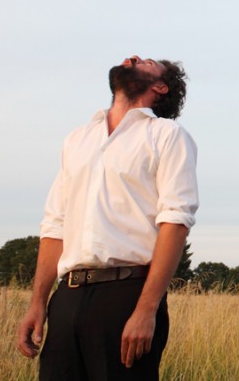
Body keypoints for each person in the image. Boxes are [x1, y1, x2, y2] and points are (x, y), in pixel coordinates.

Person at [16, 55, 199, 380]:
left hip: (126, 296)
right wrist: (38, 302)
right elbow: (55, 225)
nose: (133, 58)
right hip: (67, 297)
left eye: (147, 62)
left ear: (160, 86)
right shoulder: (77, 140)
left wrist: (146, 310)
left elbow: (175, 221)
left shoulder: (167, 136)